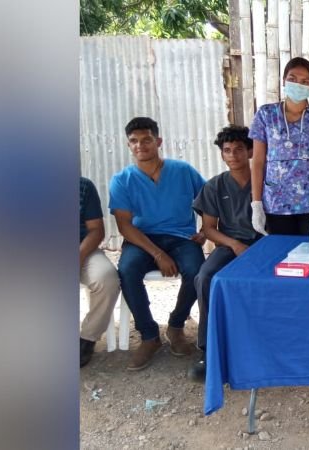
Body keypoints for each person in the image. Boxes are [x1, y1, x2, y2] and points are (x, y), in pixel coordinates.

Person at [110, 117, 207, 371]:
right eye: (134, 141)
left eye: (146, 140)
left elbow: (209, 200)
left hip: (180, 237)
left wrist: (207, 230)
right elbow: (125, 226)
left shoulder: (182, 170)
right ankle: (149, 335)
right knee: (127, 270)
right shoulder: (123, 180)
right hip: (141, 239)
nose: (140, 145)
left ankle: (175, 326)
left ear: (158, 141)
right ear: (128, 145)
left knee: (198, 271)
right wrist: (157, 253)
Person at [189, 125, 262, 382]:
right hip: (230, 245)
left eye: (239, 149)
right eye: (227, 150)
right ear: (222, 154)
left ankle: (259, 345)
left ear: (250, 151)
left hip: (262, 244)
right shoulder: (214, 186)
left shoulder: (263, 180)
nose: (233, 155)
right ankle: (209, 350)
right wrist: (234, 245)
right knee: (206, 277)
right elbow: (209, 229)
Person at [250, 57, 309, 236]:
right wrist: (256, 203)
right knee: (280, 257)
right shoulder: (266, 114)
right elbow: (258, 162)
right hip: (276, 203)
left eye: (305, 81)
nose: (298, 84)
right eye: (292, 79)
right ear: (283, 81)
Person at [79, 176, 120, 368]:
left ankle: (88, 338)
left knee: (107, 279)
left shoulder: (83, 186)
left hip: (83, 250)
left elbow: (96, 230)